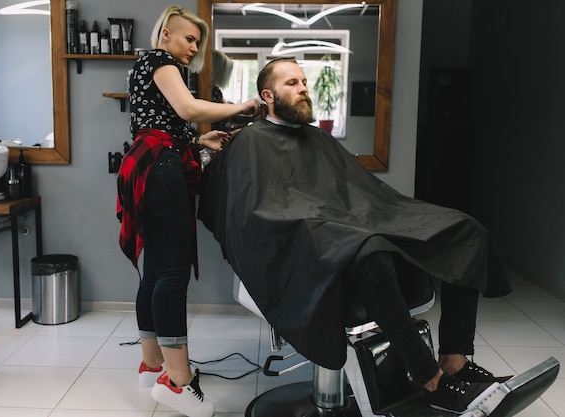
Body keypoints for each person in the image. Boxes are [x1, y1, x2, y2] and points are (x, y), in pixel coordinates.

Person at [197, 58, 514, 415]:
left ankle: (455, 361)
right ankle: (429, 379)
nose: (303, 87)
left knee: (465, 230)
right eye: (292, 83)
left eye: (304, 81)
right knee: (370, 250)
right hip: (303, 242)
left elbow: (361, 194)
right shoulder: (251, 141)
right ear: (267, 95)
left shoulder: (317, 138)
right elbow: (252, 213)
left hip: (346, 228)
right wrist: (330, 225)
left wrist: (362, 219)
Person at [116, 6, 260, 417]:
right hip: (160, 169)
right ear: (165, 34)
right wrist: (240, 107)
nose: (193, 48)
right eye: (187, 38)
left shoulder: (149, 67)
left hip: (152, 163)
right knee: (173, 274)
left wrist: (199, 144)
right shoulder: (159, 60)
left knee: (158, 271)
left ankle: (152, 364)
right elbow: (189, 111)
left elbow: (166, 125)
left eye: (197, 41)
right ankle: (178, 382)